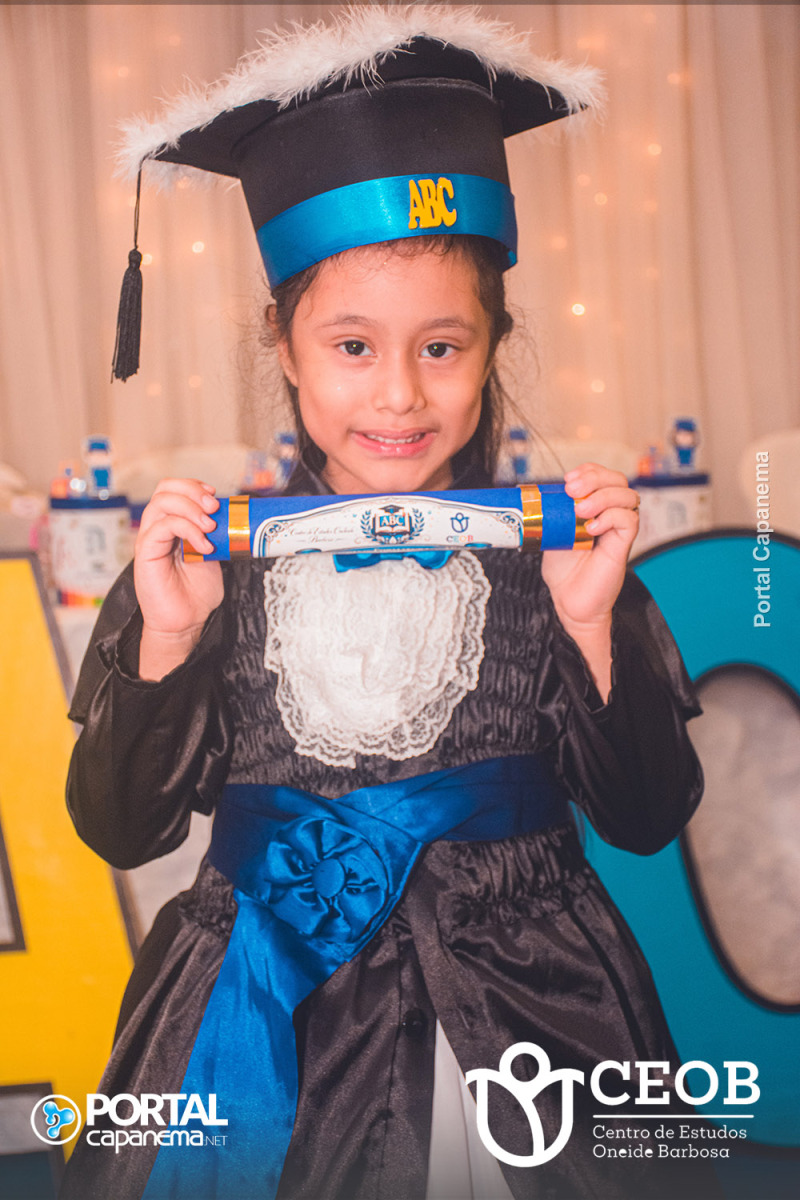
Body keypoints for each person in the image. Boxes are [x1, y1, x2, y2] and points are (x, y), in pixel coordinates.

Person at [62, 9, 721, 1200]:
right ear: (285, 346)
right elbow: (120, 832)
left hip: (531, 1017)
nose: (400, 395)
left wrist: (587, 625)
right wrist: (169, 637)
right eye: (353, 347)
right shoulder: (200, 572)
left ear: (492, 344)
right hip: (267, 1008)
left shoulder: (560, 563)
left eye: (441, 347)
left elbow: (643, 816)